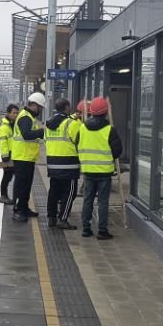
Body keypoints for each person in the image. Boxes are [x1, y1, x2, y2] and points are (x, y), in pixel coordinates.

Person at [78, 97, 123, 239]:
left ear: (91, 111)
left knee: (87, 199)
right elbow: (117, 150)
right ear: (106, 112)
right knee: (103, 201)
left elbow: (77, 144)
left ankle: (86, 229)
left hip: (88, 171)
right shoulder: (110, 130)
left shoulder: (82, 128)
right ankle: (102, 231)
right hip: (104, 172)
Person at [44, 98, 80, 229]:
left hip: (53, 164)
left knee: (54, 191)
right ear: (67, 107)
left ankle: (51, 218)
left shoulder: (49, 124)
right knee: (70, 193)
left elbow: (45, 141)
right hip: (69, 165)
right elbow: (79, 141)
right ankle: (63, 219)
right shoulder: (72, 123)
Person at [10, 92, 47, 222]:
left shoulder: (28, 117)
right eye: (40, 107)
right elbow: (26, 134)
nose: (40, 110)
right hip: (22, 157)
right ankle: (18, 210)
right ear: (34, 105)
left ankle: (24, 208)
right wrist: (41, 132)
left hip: (27, 157)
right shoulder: (25, 117)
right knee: (21, 185)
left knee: (26, 185)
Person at [0, 104, 19, 204]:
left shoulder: (13, 124)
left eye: (17, 113)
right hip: (8, 155)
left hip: (14, 154)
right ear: (8, 113)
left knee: (9, 176)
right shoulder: (4, 127)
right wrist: (5, 156)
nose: (15, 115)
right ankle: (3, 196)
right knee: (7, 176)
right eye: (13, 113)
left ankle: (5, 196)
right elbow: (3, 142)